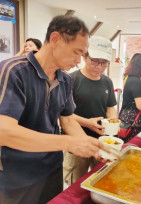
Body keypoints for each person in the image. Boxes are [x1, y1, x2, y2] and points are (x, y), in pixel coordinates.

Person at [0, 15, 107, 204]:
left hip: (52, 170)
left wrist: (91, 147)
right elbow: (4, 131)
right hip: (18, 175)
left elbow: (67, 119)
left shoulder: (65, 80)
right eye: (76, 52)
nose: (79, 61)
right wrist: (66, 143)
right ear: (56, 39)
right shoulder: (14, 71)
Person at [63, 36, 117, 185]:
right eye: (95, 61)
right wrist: (87, 123)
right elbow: (64, 115)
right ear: (85, 56)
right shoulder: (71, 79)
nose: (99, 67)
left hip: (101, 141)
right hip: (76, 142)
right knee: (75, 182)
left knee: (101, 179)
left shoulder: (107, 82)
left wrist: (112, 124)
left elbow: (110, 107)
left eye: (104, 63)